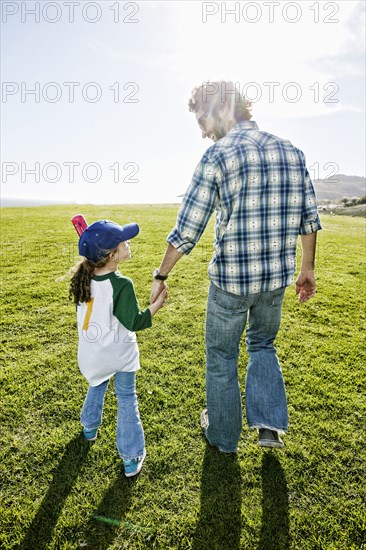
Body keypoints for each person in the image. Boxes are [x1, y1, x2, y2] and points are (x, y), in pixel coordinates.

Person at [150, 81, 321, 452]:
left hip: (230, 283)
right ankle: (268, 426)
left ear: (221, 111)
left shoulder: (217, 156)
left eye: (202, 119)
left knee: (222, 356)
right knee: (263, 344)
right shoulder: (291, 150)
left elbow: (187, 229)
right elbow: (309, 218)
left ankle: (224, 438)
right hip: (275, 279)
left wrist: (161, 275)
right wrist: (307, 268)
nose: (202, 131)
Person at [69, 219, 168, 476]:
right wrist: (157, 305)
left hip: (91, 354)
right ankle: (131, 456)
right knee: (126, 398)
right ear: (112, 255)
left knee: (97, 383)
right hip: (119, 354)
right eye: (124, 242)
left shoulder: (83, 278)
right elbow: (134, 322)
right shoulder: (122, 284)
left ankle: (89, 427)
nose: (129, 244)